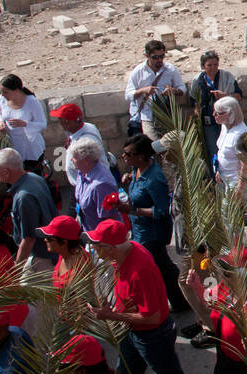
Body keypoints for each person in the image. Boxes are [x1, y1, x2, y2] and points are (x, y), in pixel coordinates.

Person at [88, 218, 203, 374]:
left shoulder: (139, 268)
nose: (94, 250)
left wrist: (112, 316)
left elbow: (153, 317)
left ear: (111, 248)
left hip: (152, 335)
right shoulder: (121, 255)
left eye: (98, 246)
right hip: (132, 330)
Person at [114, 133, 188, 312]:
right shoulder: (136, 170)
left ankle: (168, 302)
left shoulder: (155, 179)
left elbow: (161, 211)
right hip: (140, 229)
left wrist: (132, 210)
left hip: (152, 233)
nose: (124, 157)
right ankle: (181, 300)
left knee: (153, 267)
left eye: (128, 154)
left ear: (141, 156)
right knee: (163, 267)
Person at [0, 147, 59, 268]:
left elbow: (29, 239)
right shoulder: (35, 178)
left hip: (40, 258)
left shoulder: (24, 197)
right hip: (50, 251)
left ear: (6, 172)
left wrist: (18, 267)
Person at [188, 50, 242, 172]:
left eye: (215, 65)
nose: (213, 68)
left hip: (226, 120)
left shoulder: (226, 76)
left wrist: (225, 96)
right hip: (209, 122)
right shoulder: (198, 80)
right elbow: (193, 100)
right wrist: (197, 110)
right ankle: (216, 176)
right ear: (203, 66)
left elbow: (239, 96)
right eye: (209, 65)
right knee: (213, 149)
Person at [124, 40, 186, 139]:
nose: (159, 60)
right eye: (155, 57)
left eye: (161, 56)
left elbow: (182, 88)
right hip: (147, 116)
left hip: (167, 115)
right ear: (147, 56)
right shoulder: (138, 72)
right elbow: (128, 95)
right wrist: (143, 90)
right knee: (153, 145)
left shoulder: (170, 69)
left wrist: (173, 91)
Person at [0, 74, 47, 173]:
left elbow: (43, 124)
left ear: (16, 90)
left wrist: (25, 124)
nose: (2, 94)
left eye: (6, 92)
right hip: (13, 146)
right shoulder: (2, 99)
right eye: (1, 92)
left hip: (31, 148)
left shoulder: (32, 102)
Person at [51, 101, 106, 191]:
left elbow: (91, 166)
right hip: (82, 184)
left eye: (60, 119)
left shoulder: (86, 141)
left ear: (67, 122)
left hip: (88, 186)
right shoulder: (83, 128)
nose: (59, 121)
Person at [69, 137, 119, 233]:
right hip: (88, 233)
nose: (71, 160)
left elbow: (108, 220)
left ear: (86, 160)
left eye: (75, 157)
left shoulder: (102, 184)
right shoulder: (82, 172)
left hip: (102, 238)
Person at [211, 95, 247, 188]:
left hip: (235, 183)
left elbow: (246, 165)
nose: (213, 114)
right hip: (224, 179)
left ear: (230, 113)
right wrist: (219, 171)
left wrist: (240, 189)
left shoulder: (240, 135)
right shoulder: (225, 126)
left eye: (218, 113)